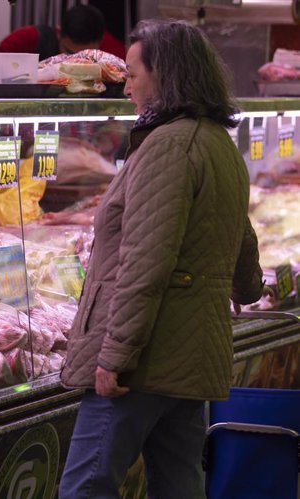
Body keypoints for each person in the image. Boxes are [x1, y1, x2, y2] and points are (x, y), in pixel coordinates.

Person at [58, 19, 266, 499]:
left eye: (132, 74)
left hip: (143, 363)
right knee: (179, 487)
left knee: (85, 489)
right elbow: (242, 244)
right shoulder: (218, 142)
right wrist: (244, 287)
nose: (126, 85)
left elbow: (145, 263)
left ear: (165, 75)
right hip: (191, 358)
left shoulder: (168, 145)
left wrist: (115, 356)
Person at [0, 4, 125, 88]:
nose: (78, 62)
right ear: (58, 32)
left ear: (101, 41)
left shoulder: (112, 50)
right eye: (70, 53)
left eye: (88, 55)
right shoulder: (30, 38)